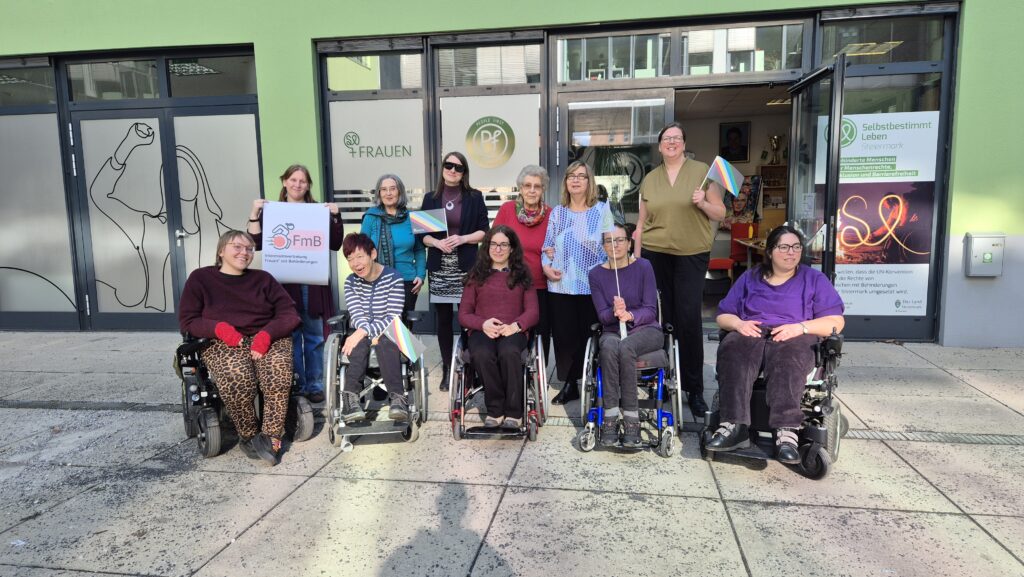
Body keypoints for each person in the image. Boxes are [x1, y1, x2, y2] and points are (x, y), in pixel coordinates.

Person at [706, 225, 845, 464]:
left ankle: (786, 431)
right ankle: (734, 425)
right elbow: (723, 315)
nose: (791, 252)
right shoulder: (751, 277)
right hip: (753, 330)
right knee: (733, 348)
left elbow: (835, 321)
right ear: (770, 251)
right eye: (783, 247)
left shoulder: (814, 279)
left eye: (796, 247)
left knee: (788, 357)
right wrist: (739, 324)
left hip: (795, 333)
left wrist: (800, 327)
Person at [178, 230, 301, 466]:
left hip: (266, 337)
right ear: (221, 250)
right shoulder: (200, 279)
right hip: (222, 341)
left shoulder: (263, 279)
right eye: (237, 247)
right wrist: (220, 329)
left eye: (249, 249)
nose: (244, 253)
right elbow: (188, 320)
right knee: (238, 377)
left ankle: (272, 437)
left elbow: (289, 313)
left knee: (278, 375)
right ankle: (249, 434)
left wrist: (267, 333)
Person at [634, 122, 727, 417]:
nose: (671, 142)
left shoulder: (702, 173)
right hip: (654, 253)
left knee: (688, 320)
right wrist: (637, 261)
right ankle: (659, 381)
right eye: (666, 139)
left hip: (691, 254)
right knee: (660, 319)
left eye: (676, 138)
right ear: (660, 146)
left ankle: (693, 388)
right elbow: (641, 223)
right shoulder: (650, 179)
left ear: (684, 144)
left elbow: (720, 213)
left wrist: (703, 204)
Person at [247, 164, 344, 404]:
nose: (297, 184)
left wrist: (335, 216)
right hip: (282, 286)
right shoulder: (271, 211)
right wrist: (254, 213)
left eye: (302, 181)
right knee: (288, 337)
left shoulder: (317, 211)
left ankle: (315, 384)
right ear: (284, 181)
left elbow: (335, 243)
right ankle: (297, 384)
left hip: (312, 285)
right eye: (293, 179)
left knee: (313, 336)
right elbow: (255, 242)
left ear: (308, 185)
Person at [542, 161, 615, 405]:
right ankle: (570, 384)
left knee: (591, 335)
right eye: (571, 176)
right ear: (566, 182)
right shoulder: (558, 213)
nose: (575, 180)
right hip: (561, 285)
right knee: (564, 337)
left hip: (592, 286)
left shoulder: (602, 211)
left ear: (589, 182)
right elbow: (547, 247)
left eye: (581, 176)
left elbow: (611, 246)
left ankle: (593, 383)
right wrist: (545, 266)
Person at [588, 223, 662, 448]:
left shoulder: (644, 267)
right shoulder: (596, 274)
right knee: (610, 347)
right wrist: (614, 311)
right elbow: (602, 316)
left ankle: (631, 419)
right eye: (609, 241)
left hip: (646, 330)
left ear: (629, 243)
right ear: (603, 246)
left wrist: (629, 314)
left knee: (626, 346)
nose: (615, 245)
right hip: (612, 331)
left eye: (619, 240)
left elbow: (651, 309)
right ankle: (610, 417)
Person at [420, 152, 489, 391]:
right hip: (440, 265)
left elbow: (484, 231)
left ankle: (470, 367)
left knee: (468, 318)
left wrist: (463, 239)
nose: (452, 170)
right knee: (443, 320)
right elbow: (422, 235)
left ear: (464, 172)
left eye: (458, 167)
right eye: (448, 165)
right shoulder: (431, 198)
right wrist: (437, 243)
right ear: (442, 168)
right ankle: (449, 368)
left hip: (466, 265)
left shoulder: (474, 197)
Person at [458, 226, 539, 428]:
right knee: (482, 353)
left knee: (509, 351)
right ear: (487, 247)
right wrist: (482, 324)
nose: (498, 249)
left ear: (512, 249)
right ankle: (495, 409)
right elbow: (464, 314)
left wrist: (516, 326)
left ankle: (514, 411)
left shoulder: (522, 275)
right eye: (494, 244)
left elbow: (533, 312)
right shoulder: (475, 276)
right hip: (482, 330)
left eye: (504, 245)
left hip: (513, 330)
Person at [338, 233, 410, 423]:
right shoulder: (350, 282)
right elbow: (357, 315)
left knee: (385, 340)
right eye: (350, 259)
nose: (355, 263)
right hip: (363, 330)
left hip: (391, 330)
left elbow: (392, 316)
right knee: (357, 343)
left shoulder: (394, 278)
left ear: (373, 254)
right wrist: (364, 333)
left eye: (359, 256)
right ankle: (351, 400)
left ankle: (398, 398)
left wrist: (364, 332)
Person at [492, 165, 552, 363]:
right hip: (511, 285)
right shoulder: (507, 210)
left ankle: (538, 373)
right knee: (512, 333)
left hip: (541, 285)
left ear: (543, 189)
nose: (532, 190)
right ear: (521, 188)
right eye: (528, 185)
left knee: (542, 332)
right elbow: (493, 244)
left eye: (537, 186)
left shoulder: (552, 215)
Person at [360, 173, 426, 325]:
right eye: (383, 189)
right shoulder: (370, 218)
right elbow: (362, 251)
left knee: (404, 329)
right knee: (382, 327)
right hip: (378, 280)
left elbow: (419, 249)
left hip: (407, 281)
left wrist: (421, 275)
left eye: (392, 189)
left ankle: (404, 350)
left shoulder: (412, 218)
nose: (388, 193)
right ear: (379, 193)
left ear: (400, 192)